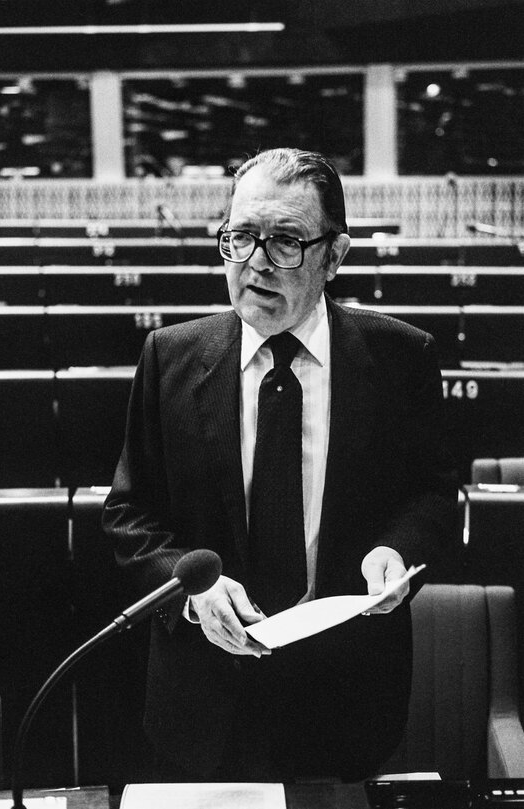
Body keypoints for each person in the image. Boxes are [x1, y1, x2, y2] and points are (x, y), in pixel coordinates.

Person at [102, 148, 458, 783]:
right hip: (202, 700)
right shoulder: (170, 356)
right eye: (240, 237)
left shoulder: (402, 356)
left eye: (286, 241)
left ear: (334, 255)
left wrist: (396, 552)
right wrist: (193, 592)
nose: (256, 263)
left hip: (348, 696)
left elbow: (431, 493)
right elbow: (130, 514)